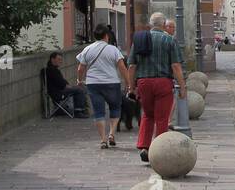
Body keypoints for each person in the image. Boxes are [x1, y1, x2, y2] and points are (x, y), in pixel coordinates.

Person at [127, 12, 187, 164]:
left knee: (147, 114)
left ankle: (144, 147)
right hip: (163, 82)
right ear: (163, 24)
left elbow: (132, 65)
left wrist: (130, 86)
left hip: (143, 82)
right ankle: (159, 150)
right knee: (162, 118)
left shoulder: (139, 40)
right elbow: (176, 66)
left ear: (150, 23)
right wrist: (182, 86)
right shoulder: (169, 40)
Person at [76, 25, 130, 150]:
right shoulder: (113, 50)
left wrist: (79, 80)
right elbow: (122, 67)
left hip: (93, 84)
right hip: (112, 83)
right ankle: (111, 133)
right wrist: (128, 83)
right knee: (115, 108)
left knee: (99, 111)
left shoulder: (87, 49)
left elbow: (81, 68)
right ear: (107, 36)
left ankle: (103, 139)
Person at [44, 51, 87, 117]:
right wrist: (71, 87)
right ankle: (78, 112)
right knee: (79, 90)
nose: (60, 61)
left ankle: (83, 110)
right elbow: (61, 84)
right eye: (59, 59)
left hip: (60, 90)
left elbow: (62, 82)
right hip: (57, 93)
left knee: (81, 88)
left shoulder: (54, 70)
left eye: (61, 59)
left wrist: (71, 86)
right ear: (52, 59)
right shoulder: (51, 70)